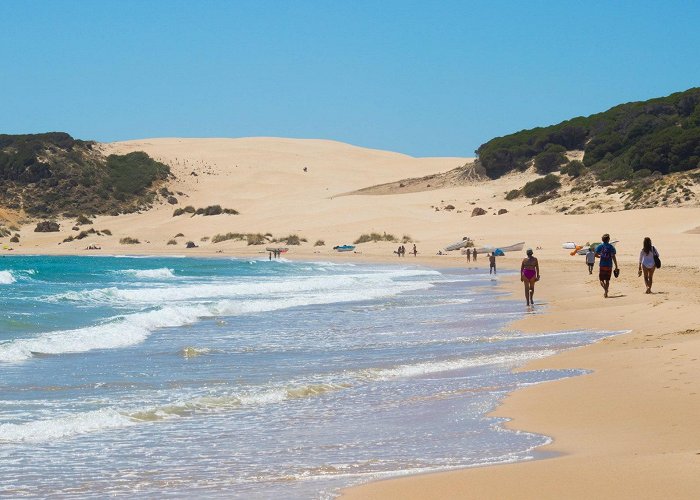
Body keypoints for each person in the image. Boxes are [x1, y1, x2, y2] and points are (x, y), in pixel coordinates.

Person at [595, 233, 618, 298]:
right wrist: (616, 266)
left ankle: (605, 289)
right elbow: (613, 257)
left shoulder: (600, 246)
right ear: (609, 239)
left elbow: (595, 254)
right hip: (609, 265)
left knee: (601, 280)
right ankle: (606, 292)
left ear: (602, 240)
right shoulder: (611, 247)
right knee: (607, 280)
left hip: (602, 265)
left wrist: (600, 257)